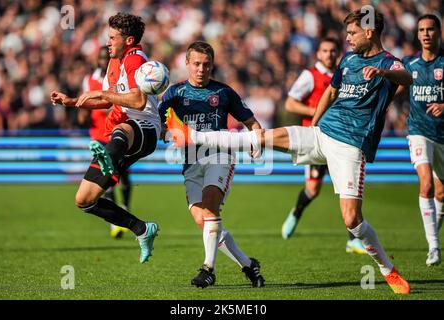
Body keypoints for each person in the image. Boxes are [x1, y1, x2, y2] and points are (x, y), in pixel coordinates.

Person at [167, 9, 413, 294]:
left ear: (369, 32)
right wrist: (317, 125)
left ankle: (387, 270)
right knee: (263, 137)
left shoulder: (388, 63)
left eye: (352, 33)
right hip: (322, 134)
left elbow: (406, 78)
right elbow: (330, 93)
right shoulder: (348, 60)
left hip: (350, 146)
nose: (347, 38)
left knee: (351, 219)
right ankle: (193, 136)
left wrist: (384, 73)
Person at [50, 13, 159, 264]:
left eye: (112, 37)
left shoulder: (134, 60)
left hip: (144, 129)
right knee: (84, 200)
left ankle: (110, 158)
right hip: (122, 134)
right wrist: (71, 102)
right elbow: (105, 100)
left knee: (123, 129)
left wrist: (102, 92)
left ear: (129, 40)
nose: (107, 42)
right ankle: (142, 229)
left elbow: (138, 101)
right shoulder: (115, 62)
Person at [159, 41, 265, 288]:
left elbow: (253, 124)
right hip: (191, 161)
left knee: (210, 207)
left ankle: (208, 269)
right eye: (196, 64)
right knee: (205, 221)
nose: (201, 69)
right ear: (186, 64)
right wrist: (166, 132)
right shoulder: (174, 93)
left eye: (206, 64)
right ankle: (249, 265)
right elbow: (157, 122)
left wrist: (256, 142)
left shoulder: (224, 93)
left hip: (220, 156)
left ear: (212, 65)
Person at [281, 37, 366, 255]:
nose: (329, 54)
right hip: (316, 140)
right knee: (313, 190)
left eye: (332, 50)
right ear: (318, 54)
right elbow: (290, 103)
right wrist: (319, 111)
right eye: (324, 51)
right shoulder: (310, 75)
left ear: (337, 53)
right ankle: (296, 213)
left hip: (341, 139)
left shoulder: (344, 73)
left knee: (347, 189)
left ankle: (353, 240)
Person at [401, 14, 444, 266]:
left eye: (430, 29)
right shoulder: (410, 64)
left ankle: (432, 237)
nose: (426, 34)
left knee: (441, 192)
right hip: (418, 131)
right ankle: (434, 247)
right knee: (426, 184)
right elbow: (397, 87)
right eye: (422, 30)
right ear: (417, 35)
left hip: (442, 135)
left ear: (438, 32)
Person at [78, 45, 131, 239]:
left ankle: (124, 207)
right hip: (99, 135)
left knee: (123, 176)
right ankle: (114, 224)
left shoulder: (117, 76)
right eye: (100, 58)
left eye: (105, 58)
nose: (103, 61)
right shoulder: (89, 80)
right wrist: (82, 114)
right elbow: (85, 106)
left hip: (118, 131)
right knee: (106, 177)